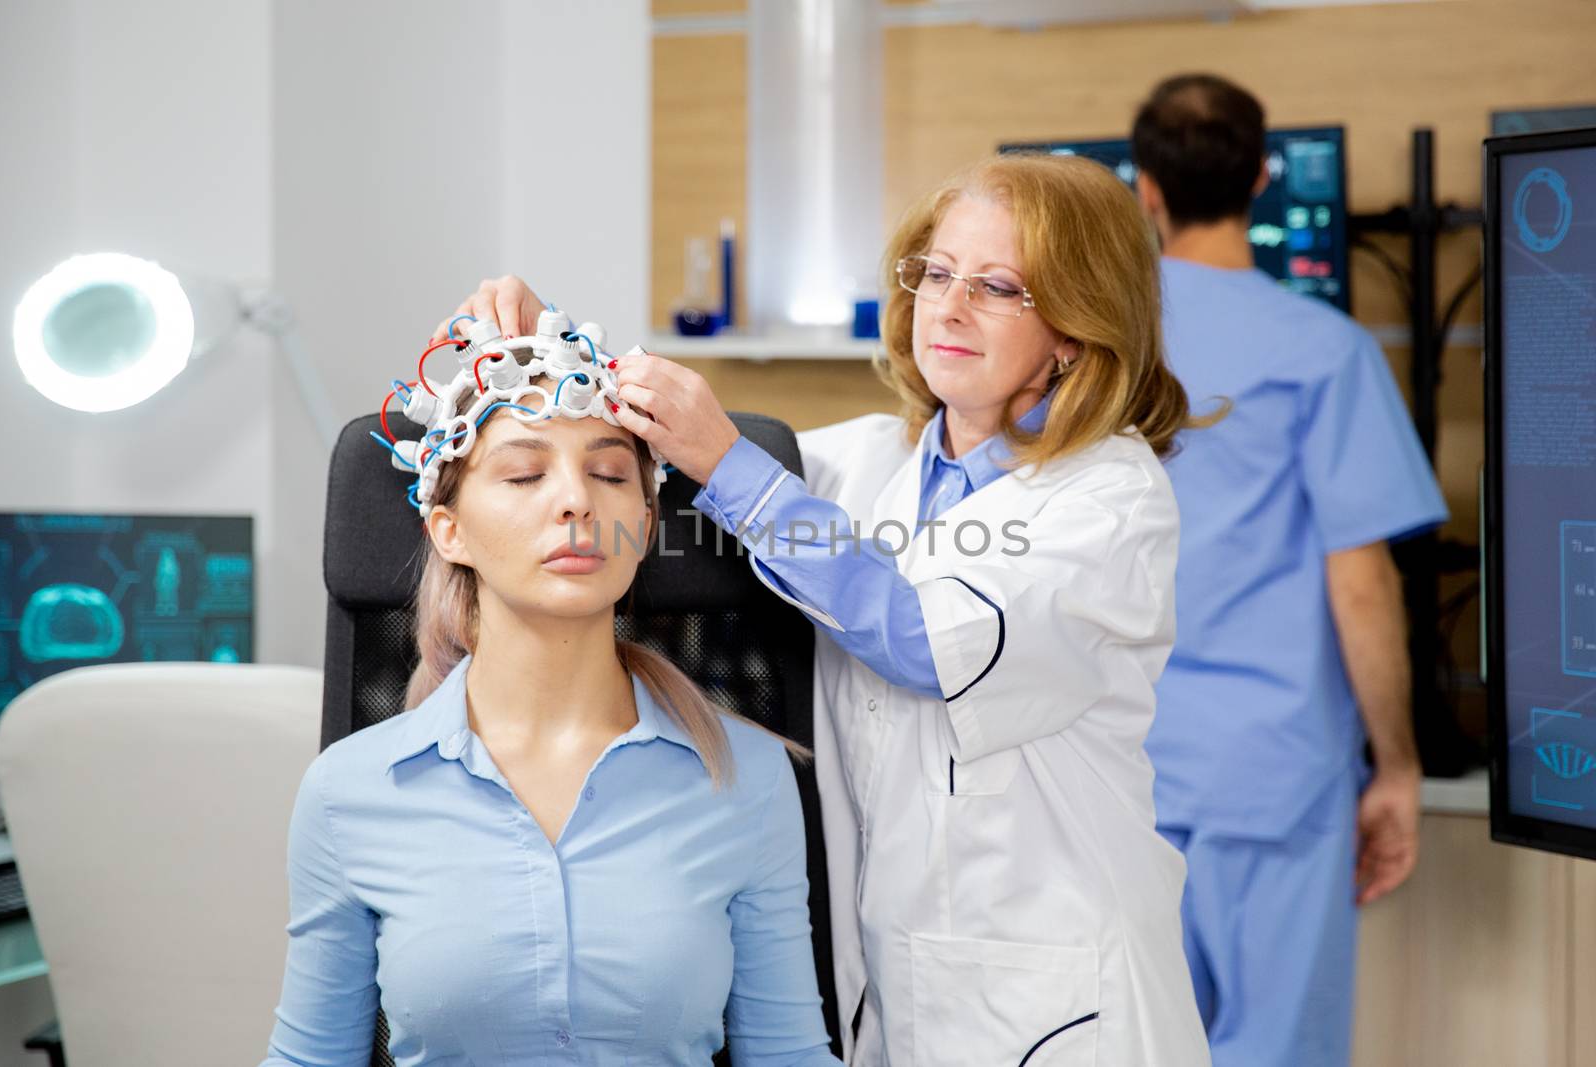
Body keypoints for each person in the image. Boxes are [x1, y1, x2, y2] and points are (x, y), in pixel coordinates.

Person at [440, 152, 1211, 1065]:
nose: (950, 306)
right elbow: (667, 458)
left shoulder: (1107, 498)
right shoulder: (869, 462)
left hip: (1062, 1000)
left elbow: (919, 635)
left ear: (1075, 332)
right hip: (893, 993)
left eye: (999, 286)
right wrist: (550, 344)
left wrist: (731, 463)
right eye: (937, 273)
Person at [261, 353, 843, 1065]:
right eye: (524, 474)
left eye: (608, 474)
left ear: (644, 521)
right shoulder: (348, 790)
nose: (576, 501)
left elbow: (790, 1055)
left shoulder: (746, 776)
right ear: (450, 530)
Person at [1130, 73, 1449, 1066]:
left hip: (1117, 770)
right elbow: (1360, 582)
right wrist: (1396, 765)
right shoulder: (1324, 351)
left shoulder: (1094, 351)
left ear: (1144, 190)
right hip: (1274, 775)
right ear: (1263, 178)